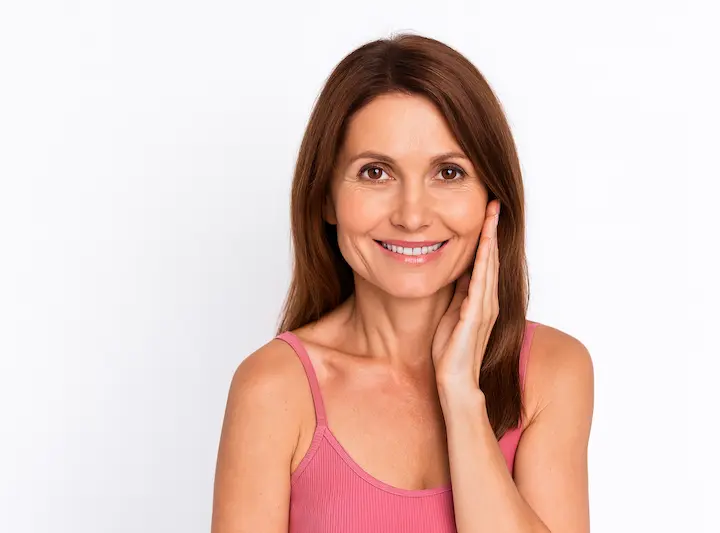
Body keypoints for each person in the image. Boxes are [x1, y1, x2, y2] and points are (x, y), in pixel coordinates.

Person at [211, 33, 593, 533]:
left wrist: (461, 395)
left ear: (491, 198)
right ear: (326, 198)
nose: (412, 216)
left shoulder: (550, 372)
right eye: (375, 172)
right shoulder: (273, 389)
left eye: (449, 173)